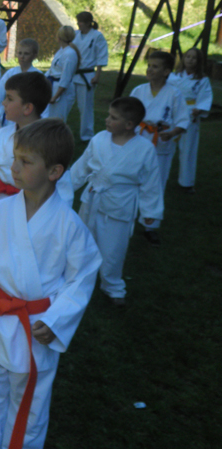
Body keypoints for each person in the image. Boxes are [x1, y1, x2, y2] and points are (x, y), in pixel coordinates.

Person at [0, 118, 101, 449]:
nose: (13, 167)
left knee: (29, 405)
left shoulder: (70, 226)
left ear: (54, 171)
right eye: (15, 158)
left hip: (35, 327)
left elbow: (81, 277)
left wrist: (56, 321)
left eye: (25, 161)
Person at [71, 97, 163, 306]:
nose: (107, 120)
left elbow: (151, 183)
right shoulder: (99, 139)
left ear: (129, 124)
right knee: (82, 242)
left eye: (113, 118)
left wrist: (150, 211)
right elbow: (81, 168)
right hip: (92, 200)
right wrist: (64, 188)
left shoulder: (145, 149)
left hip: (119, 205)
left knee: (113, 250)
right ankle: (77, 279)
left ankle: (112, 285)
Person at [0, 72, 74, 220]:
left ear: (27, 108)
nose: (3, 103)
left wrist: (55, 219)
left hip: (30, 210)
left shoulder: (50, 142)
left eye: (9, 98)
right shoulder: (2, 135)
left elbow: (62, 186)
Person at [129, 50, 190, 246]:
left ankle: (151, 226)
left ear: (166, 72)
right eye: (149, 66)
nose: (150, 70)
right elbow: (127, 115)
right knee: (132, 180)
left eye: (155, 67)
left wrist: (172, 133)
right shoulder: (138, 91)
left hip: (161, 144)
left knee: (157, 184)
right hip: (138, 142)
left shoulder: (174, 94)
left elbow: (183, 120)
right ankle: (128, 217)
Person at [169, 47, 213, 193]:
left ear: (199, 61)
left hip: (190, 114)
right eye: (188, 56)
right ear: (183, 59)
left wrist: (199, 109)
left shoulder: (202, 80)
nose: (190, 60)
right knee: (165, 145)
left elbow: (205, 97)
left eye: (194, 58)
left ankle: (186, 182)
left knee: (188, 149)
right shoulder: (173, 76)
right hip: (172, 113)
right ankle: (157, 175)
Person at [0, 38, 41, 128]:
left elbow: (41, 99)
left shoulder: (37, 76)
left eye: (26, 53)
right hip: (10, 113)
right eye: (20, 53)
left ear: (34, 56)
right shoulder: (11, 73)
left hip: (27, 113)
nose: (22, 56)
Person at [72, 12, 108, 141]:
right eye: (78, 21)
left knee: (85, 107)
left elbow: (101, 56)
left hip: (87, 75)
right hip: (72, 74)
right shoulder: (75, 34)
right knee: (64, 103)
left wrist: (97, 75)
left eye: (81, 22)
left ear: (88, 23)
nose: (78, 24)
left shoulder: (97, 36)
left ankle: (87, 135)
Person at [45, 26, 80, 122]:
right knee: (49, 118)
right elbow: (53, 69)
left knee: (58, 119)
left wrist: (55, 96)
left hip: (62, 92)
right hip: (54, 86)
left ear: (59, 37)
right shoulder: (62, 50)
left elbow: (66, 78)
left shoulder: (69, 54)